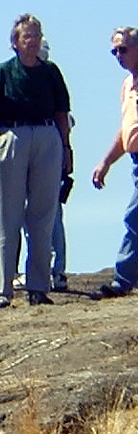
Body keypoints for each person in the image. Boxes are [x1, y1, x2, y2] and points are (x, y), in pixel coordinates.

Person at [0, 14, 71, 310]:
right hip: (13, 135)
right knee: (7, 217)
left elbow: (62, 112)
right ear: (15, 42)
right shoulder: (1, 73)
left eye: (37, 35)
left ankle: (37, 285)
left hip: (47, 137)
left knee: (43, 215)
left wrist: (66, 147)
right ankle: (3, 290)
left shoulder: (51, 73)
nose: (33, 41)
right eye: (27, 36)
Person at [92, 26, 138, 298]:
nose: (118, 55)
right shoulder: (127, 85)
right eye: (114, 51)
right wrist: (106, 162)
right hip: (135, 160)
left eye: (123, 49)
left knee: (134, 217)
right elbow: (126, 132)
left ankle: (123, 278)